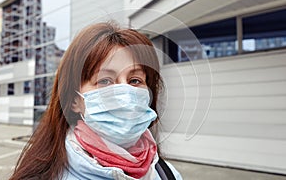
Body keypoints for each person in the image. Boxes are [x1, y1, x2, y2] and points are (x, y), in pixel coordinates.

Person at [9, 21, 183, 180]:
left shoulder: (167, 174)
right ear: (75, 101)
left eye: (135, 80)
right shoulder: (44, 176)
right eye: (104, 81)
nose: (124, 92)